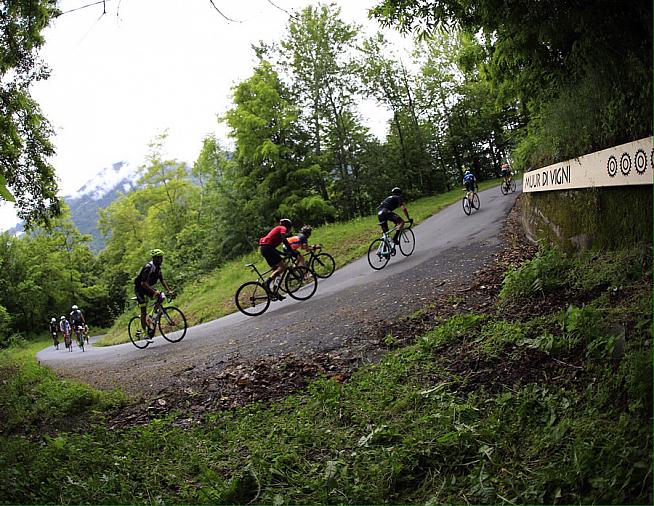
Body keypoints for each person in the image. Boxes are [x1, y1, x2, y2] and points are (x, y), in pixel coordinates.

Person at [134, 248, 174, 340]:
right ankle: (144, 332)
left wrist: (169, 290)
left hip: (147, 287)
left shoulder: (158, 268)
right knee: (143, 308)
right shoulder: (148, 267)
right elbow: (143, 283)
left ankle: (151, 316)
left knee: (161, 296)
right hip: (139, 289)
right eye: (159, 258)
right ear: (154, 258)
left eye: (161, 258)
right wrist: (154, 292)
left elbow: (162, 280)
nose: (161, 260)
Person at [258, 218, 299, 300]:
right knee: (283, 267)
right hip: (268, 248)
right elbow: (284, 240)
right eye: (290, 227)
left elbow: (272, 247)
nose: (290, 229)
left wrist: (283, 253)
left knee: (276, 271)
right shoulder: (282, 228)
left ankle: (274, 292)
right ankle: (267, 283)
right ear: (287, 226)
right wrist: (292, 251)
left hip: (264, 249)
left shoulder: (277, 230)